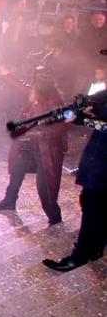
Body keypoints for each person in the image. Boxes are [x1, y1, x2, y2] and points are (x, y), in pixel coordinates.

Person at [0, 67, 67, 225]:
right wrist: (7, 74)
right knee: (16, 172)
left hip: (45, 150)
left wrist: (38, 133)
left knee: (44, 186)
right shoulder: (36, 94)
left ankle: (54, 216)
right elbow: (21, 86)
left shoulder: (55, 102)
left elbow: (61, 127)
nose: (30, 87)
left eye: (34, 84)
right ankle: (9, 201)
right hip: (28, 145)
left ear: (41, 87)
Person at [43, 93, 107, 272]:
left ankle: (79, 256)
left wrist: (82, 119)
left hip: (103, 162)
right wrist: (87, 104)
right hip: (100, 156)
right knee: (95, 203)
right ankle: (95, 248)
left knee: (92, 204)